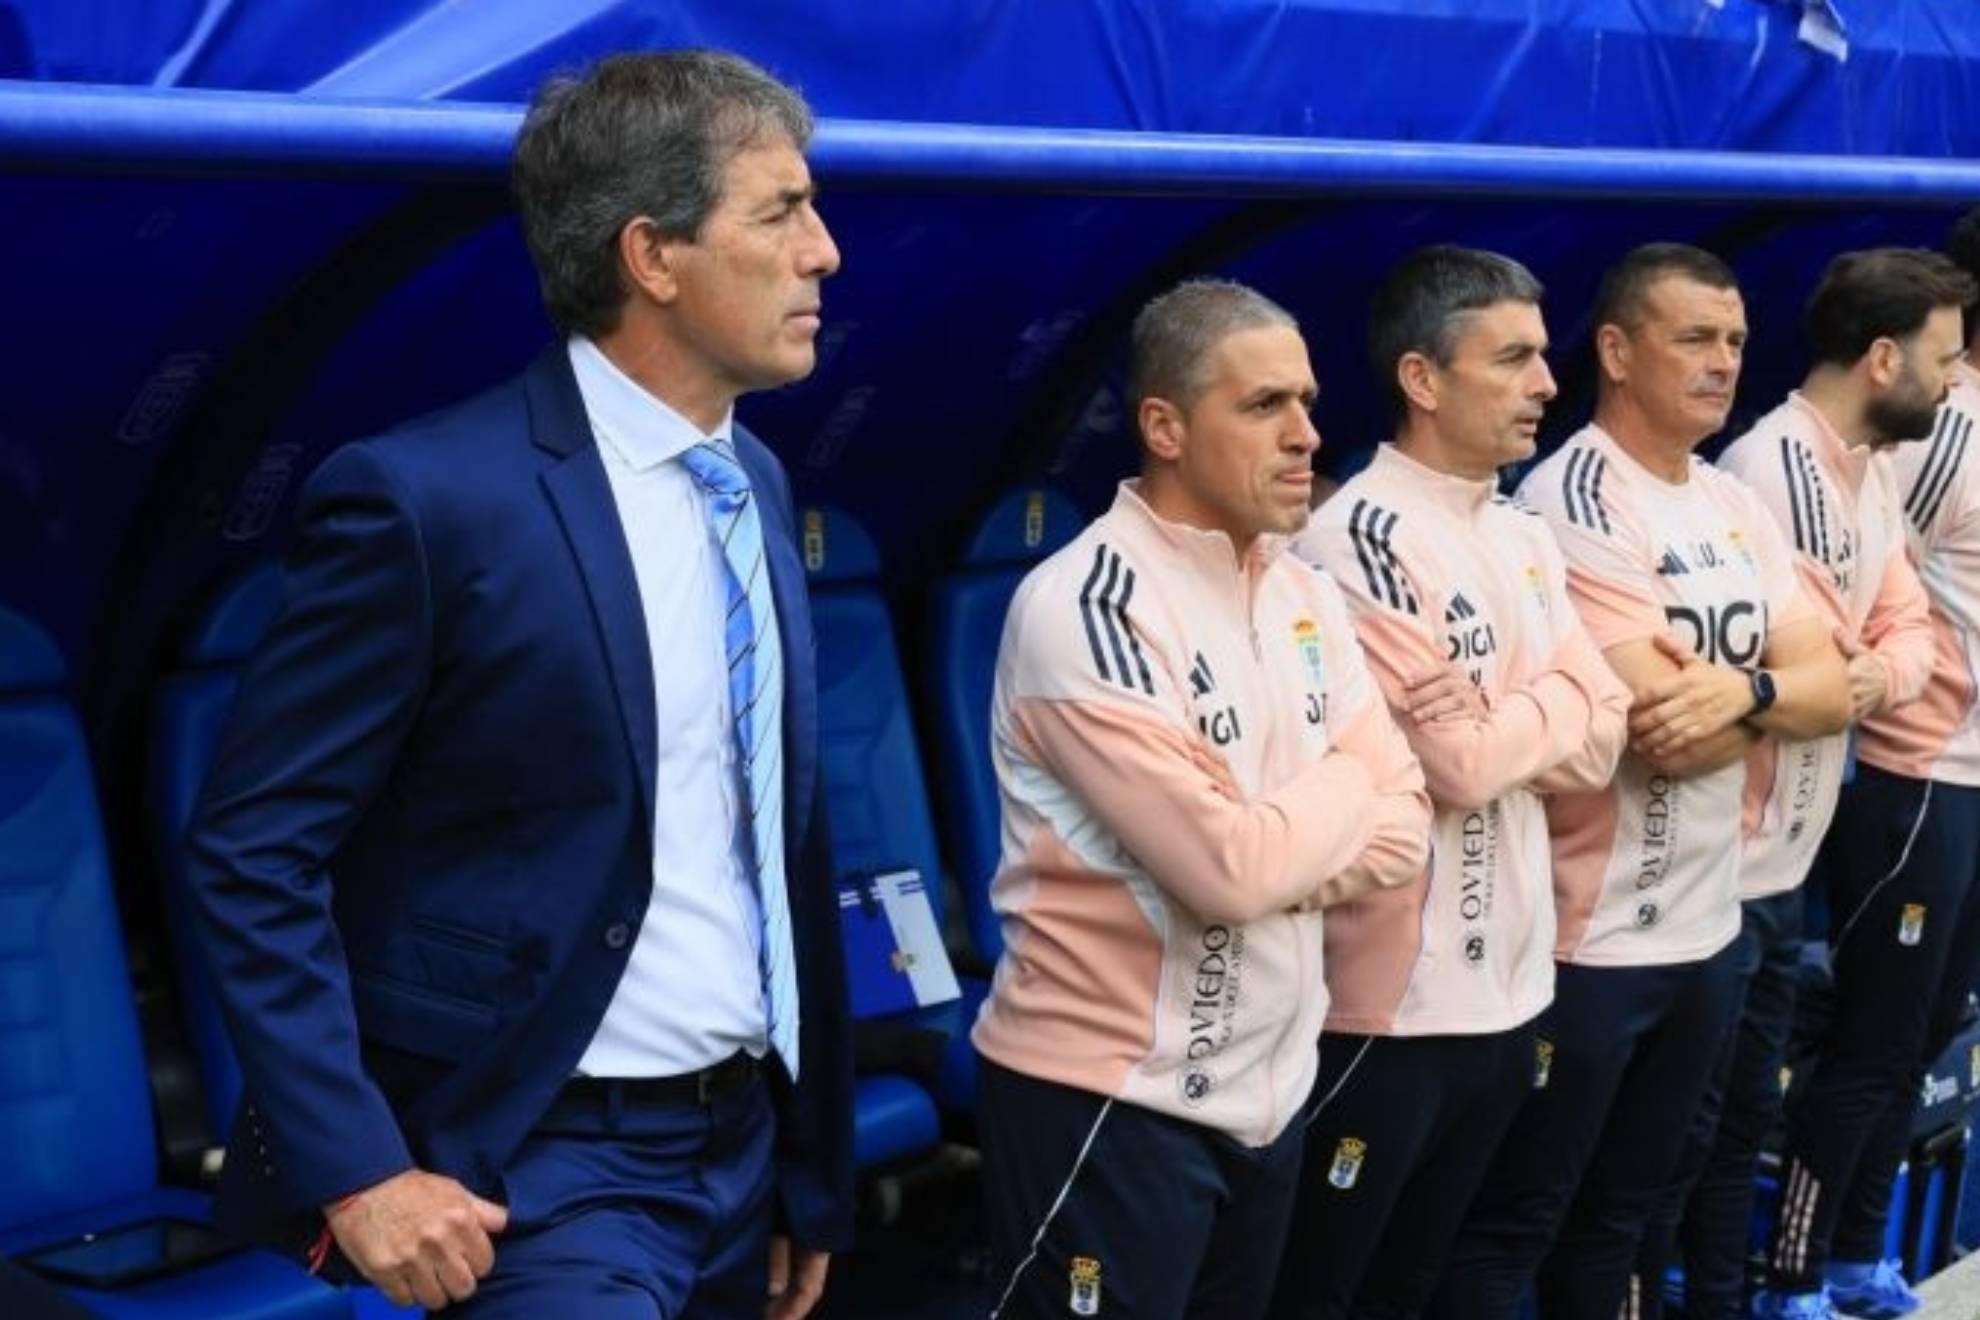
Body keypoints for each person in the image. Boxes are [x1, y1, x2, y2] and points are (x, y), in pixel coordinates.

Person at [183, 51, 850, 1318]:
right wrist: (361, 1167)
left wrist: (809, 1163)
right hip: (535, 1172)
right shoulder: (426, 501)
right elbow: (251, 847)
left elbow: (775, 837)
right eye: (781, 212)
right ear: (652, 257)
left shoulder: (752, 482)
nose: (825, 252)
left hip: (741, 1157)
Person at [971, 279, 1431, 1320]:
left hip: (1271, 1091)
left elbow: (1407, 827)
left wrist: (1291, 838)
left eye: (1307, 403)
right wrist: (1345, 790)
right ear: (1165, 426)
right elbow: (1230, 870)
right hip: (1108, 1105)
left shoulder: (1304, 589)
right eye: (1264, 405)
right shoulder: (1089, 608)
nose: (1306, 435)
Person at [1429, 243, 1851, 1320]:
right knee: (1530, 1217)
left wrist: (1746, 694)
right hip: (1589, 936)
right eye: (1696, 339)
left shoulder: (1726, 500)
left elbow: (1833, 686)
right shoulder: (1573, 495)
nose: (1724, 363)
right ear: (1615, 351)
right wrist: (1770, 700)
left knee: (1638, 1209)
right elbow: (1658, 730)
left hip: (1708, 926)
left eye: (1738, 342)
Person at [1274, 246, 1629, 1319]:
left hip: (1515, 995)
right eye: (1513, 358)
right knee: (1330, 1288)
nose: (1548, 385)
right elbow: (1461, 767)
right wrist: (1557, 705)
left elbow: (1607, 737)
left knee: (1427, 1281)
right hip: (1395, 1014)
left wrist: (1529, 716)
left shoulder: (1522, 533)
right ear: (1423, 380)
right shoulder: (1364, 534)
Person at [1627, 247, 1954, 1320]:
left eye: (1733, 340)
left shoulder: (1862, 470)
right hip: (1743, 852)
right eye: (1944, 358)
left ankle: (1798, 1279)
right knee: (1696, 1131)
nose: (1953, 382)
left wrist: (1856, 673)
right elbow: (1806, 673)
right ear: (1880, 357)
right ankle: (1787, 1279)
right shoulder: (1773, 467)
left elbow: (1902, 632)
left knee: (1769, 1106)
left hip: (1791, 845)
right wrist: (1832, 680)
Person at [1753, 237, 1980, 1320]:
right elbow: (1883, 582)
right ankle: (1792, 1271)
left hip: (1966, 776)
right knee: (1872, 1040)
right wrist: (1892, 671)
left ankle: (1855, 1253)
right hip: (1916, 771)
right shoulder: (1940, 427)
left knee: (1929, 1034)